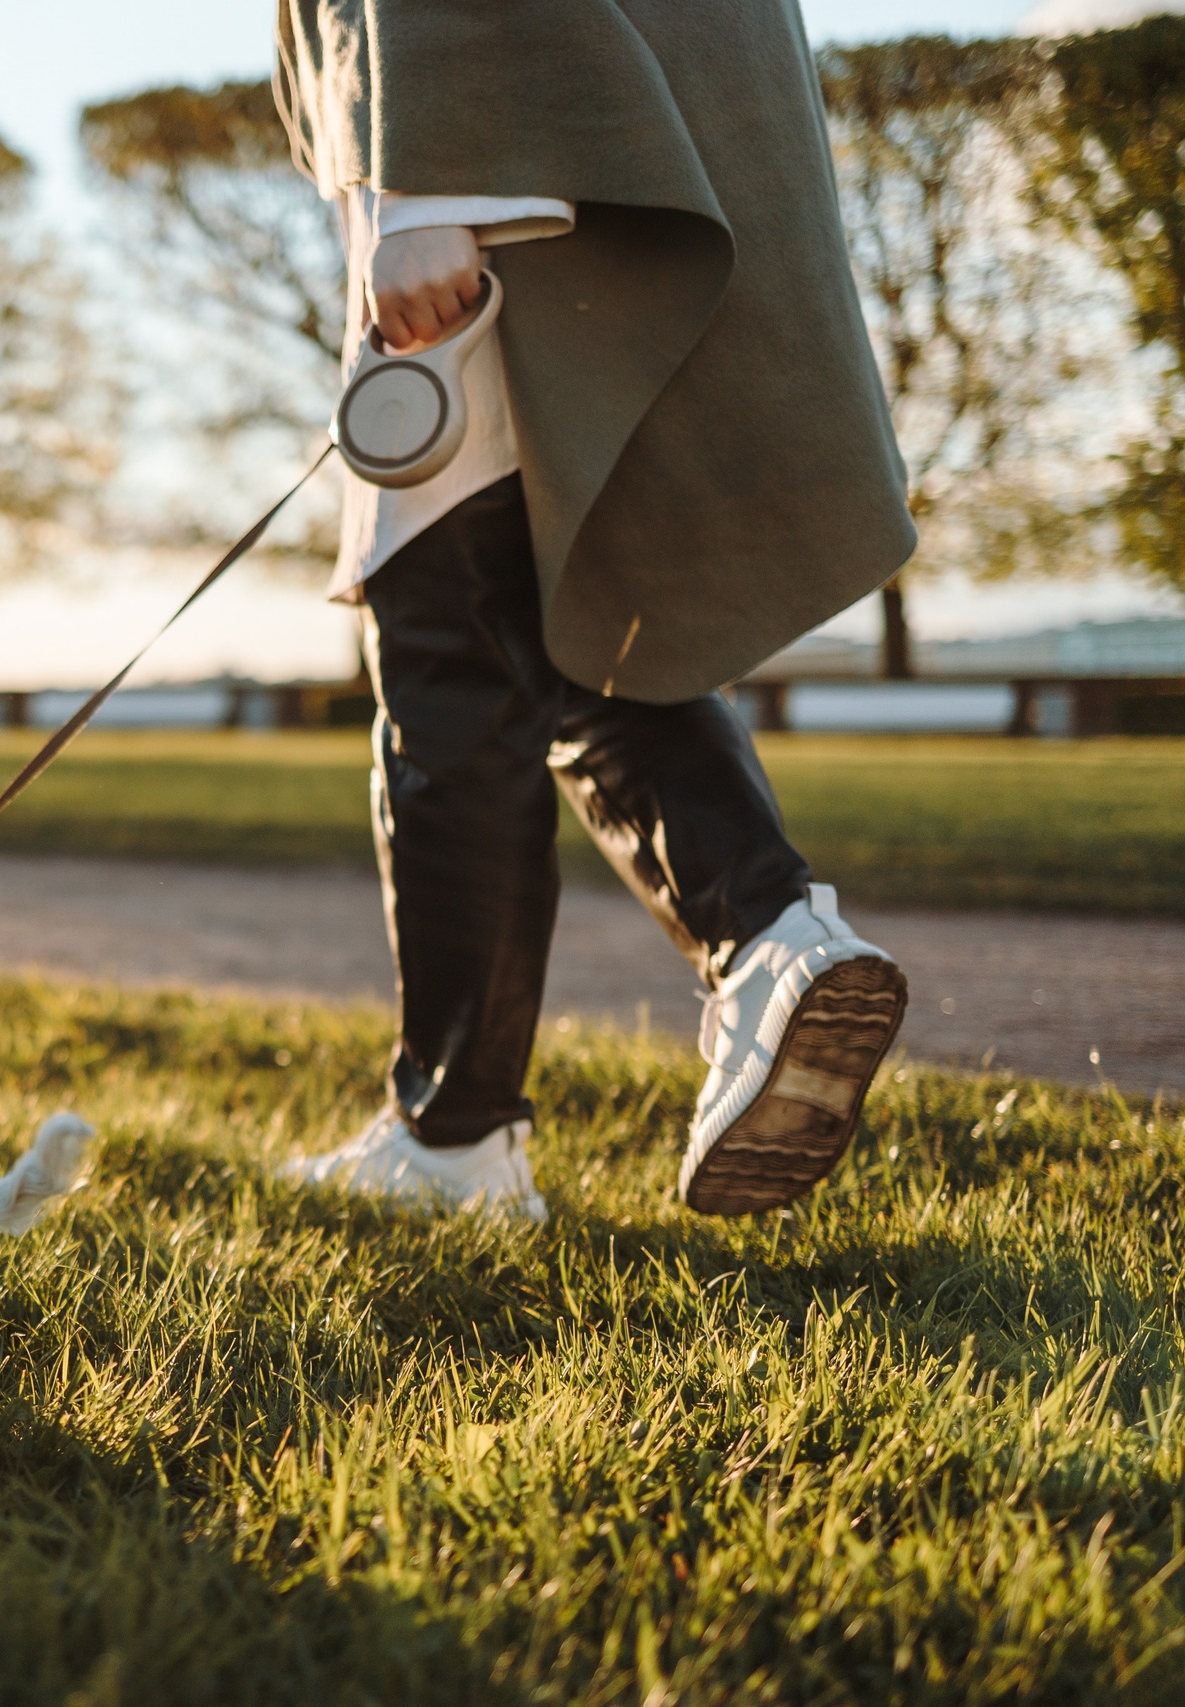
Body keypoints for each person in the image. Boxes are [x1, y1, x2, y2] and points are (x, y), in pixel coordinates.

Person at [270, 1, 915, 1221]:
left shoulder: (442, 172)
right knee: (562, 614)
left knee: (457, 656)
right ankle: (768, 948)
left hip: (494, 175)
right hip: (619, 151)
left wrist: (424, 190)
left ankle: (468, 1132)